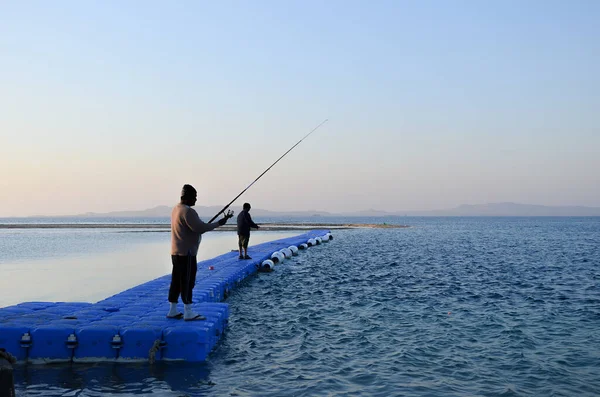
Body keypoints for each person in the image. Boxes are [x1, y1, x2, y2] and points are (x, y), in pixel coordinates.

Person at [168, 184, 233, 321]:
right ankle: (188, 311)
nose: (196, 200)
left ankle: (172, 310)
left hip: (175, 252)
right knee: (187, 281)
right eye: (194, 197)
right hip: (187, 253)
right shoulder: (188, 211)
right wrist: (219, 223)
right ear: (187, 197)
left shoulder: (176, 209)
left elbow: (191, 228)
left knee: (176, 281)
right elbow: (200, 227)